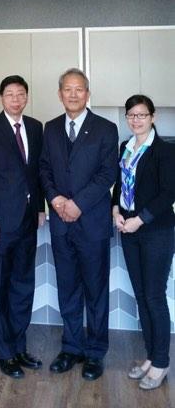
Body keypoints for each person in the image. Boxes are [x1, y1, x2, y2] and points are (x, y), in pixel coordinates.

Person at [39, 68, 118, 381]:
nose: (73, 94)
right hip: (61, 223)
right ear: (60, 94)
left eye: (79, 89)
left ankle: (95, 352)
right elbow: (44, 169)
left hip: (92, 223)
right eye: (67, 89)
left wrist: (78, 204)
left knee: (96, 290)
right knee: (68, 288)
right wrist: (56, 199)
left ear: (88, 93)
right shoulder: (50, 128)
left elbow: (107, 173)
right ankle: (71, 347)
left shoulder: (106, 129)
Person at [0, 75, 45, 379]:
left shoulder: (35, 127)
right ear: (1, 98)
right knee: (0, 286)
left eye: (20, 94)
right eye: (10, 94)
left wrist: (40, 208)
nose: (15, 99)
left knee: (23, 285)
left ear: (26, 97)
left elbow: (38, 172)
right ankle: (4, 352)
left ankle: (19, 346)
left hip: (28, 221)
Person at [112, 94, 175, 390]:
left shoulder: (165, 150)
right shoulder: (125, 147)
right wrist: (116, 211)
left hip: (156, 231)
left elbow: (168, 193)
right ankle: (152, 356)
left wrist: (140, 219)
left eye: (141, 115)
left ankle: (162, 362)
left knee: (154, 296)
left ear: (153, 117)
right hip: (129, 230)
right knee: (141, 295)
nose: (136, 120)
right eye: (131, 115)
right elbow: (119, 185)